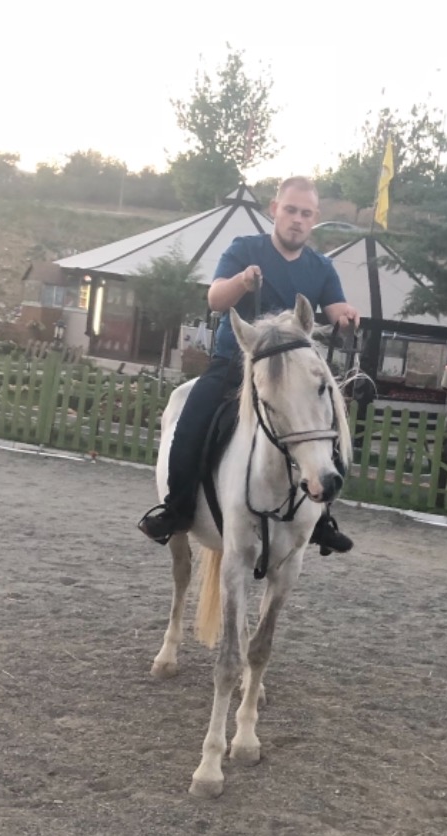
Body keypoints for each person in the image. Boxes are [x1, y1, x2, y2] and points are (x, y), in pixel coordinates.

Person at [138, 176, 360, 554]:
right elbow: (215, 299)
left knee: (328, 427)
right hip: (234, 365)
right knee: (191, 420)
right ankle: (176, 508)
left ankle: (322, 517)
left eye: (306, 214)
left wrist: (347, 317)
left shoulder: (321, 268)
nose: (297, 219)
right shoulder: (244, 249)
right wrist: (241, 282)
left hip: (291, 378)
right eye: (290, 210)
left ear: (314, 218)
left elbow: (337, 308)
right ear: (274, 210)